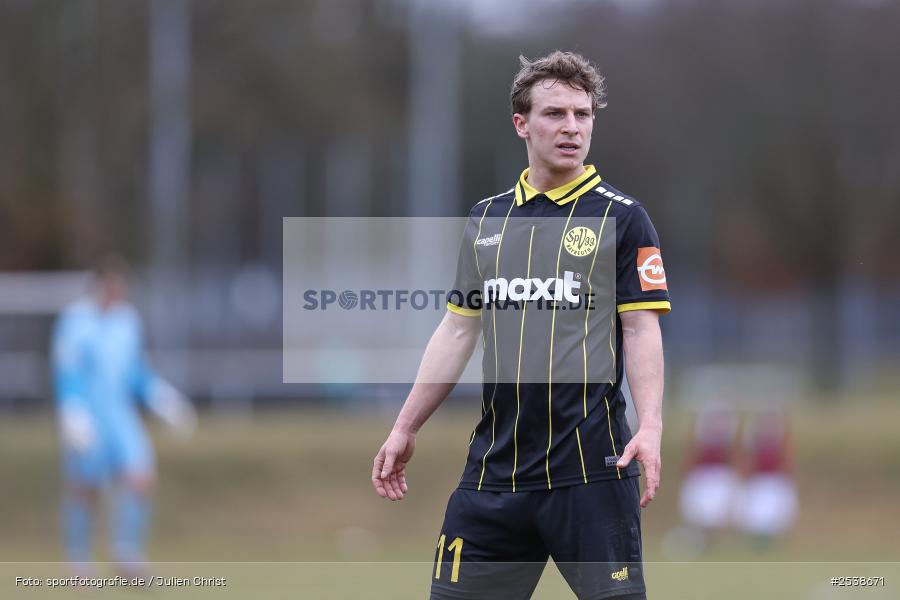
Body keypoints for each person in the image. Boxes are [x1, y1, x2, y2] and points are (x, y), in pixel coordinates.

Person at [372, 51, 671, 599]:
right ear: (521, 124)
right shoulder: (487, 220)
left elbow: (642, 330)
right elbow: (458, 331)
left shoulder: (622, 218)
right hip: (495, 473)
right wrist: (405, 425)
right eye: (555, 113)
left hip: (592, 472)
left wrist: (650, 426)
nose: (572, 128)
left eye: (583, 115)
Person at [52, 256, 195, 572]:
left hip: (119, 414)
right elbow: (68, 370)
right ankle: (78, 560)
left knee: (140, 477)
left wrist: (161, 397)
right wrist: (72, 411)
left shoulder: (128, 321)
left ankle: (126, 553)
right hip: (87, 415)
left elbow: (134, 371)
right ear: (101, 286)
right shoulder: (75, 321)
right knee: (84, 487)